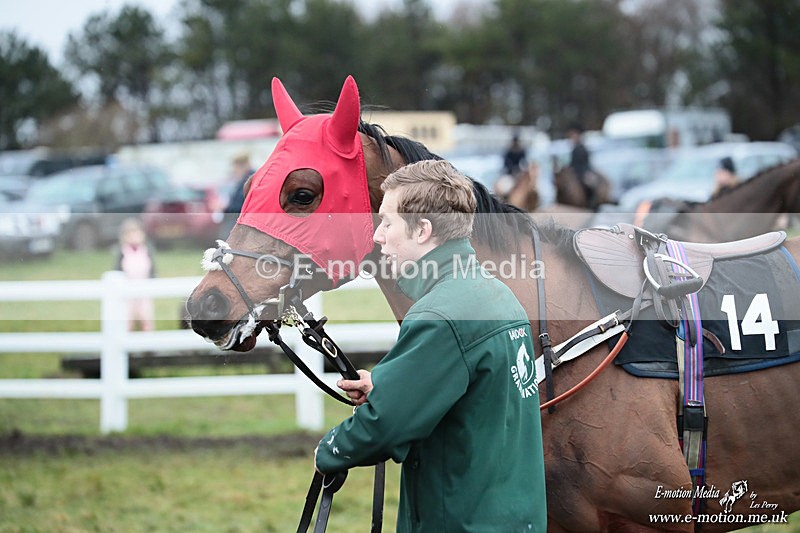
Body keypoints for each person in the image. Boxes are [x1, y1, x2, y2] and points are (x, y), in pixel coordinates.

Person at [314, 159, 547, 532]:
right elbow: (471, 396)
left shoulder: (440, 313)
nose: (377, 236)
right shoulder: (496, 294)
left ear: (422, 230)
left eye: (387, 222)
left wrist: (329, 450)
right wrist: (389, 388)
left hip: (461, 520)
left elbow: (383, 428)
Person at [115, 218, 156, 332]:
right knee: (127, 318)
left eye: (137, 233)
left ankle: (148, 345)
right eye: (130, 234)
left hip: (144, 290)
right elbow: (117, 270)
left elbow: (152, 269)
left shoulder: (147, 250)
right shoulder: (122, 251)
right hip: (127, 291)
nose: (134, 236)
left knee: (146, 317)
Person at [219, 153, 255, 238]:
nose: (234, 171)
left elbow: (241, 204)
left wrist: (226, 207)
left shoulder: (248, 180)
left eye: (235, 167)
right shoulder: (245, 179)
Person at [567, 122, 597, 208]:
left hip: (583, 172)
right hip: (574, 173)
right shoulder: (573, 148)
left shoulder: (582, 148)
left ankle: (591, 204)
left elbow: (585, 163)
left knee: (588, 185)